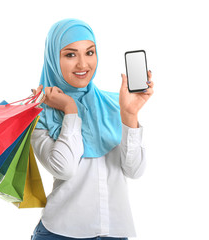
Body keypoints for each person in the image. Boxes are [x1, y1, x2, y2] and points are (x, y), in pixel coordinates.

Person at [30, 18, 154, 240]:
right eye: (70, 54)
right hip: (60, 232)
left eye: (89, 52)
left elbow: (134, 170)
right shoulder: (40, 115)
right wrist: (70, 109)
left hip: (114, 231)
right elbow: (64, 168)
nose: (83, 64)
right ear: (52, 58)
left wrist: (129, 115)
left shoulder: (115, 104)